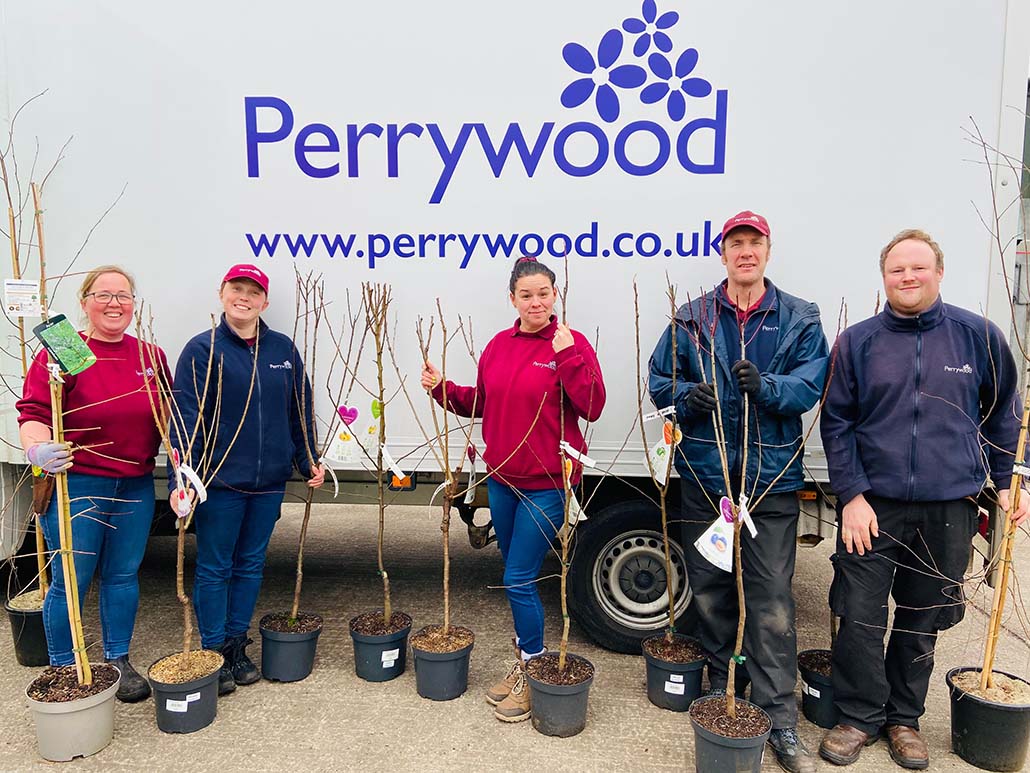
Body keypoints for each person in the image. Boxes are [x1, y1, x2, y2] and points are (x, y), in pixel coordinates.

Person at [819, 229, 1029, 769]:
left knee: (921, 619)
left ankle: (904, 720)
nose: (907, 277)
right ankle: (858, 717)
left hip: (949, 508)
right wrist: (852, 495)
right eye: (896, 270)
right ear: (884, 277)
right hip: (873, 507)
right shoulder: (858, 342)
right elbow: (837, 423)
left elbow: (1005, 416)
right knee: (859, 616)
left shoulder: (978, 337)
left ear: (939, 272)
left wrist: (1011, 481)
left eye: (918, 268)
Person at [649, 211, 829, 773]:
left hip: (770, 480)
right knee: (710, 589)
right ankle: (724, 682)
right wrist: (685, 397)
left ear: (767, 251)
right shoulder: (692, 317)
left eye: (754, 242)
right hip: (708, 478)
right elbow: (659, 380)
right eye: (736, 243)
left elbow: (810, 383)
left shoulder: (799, 317)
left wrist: (768, 387)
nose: (745, 251)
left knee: (771, 599)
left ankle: (778, 716)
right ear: (723, 253)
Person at [420, 256, 605, 723]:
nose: (535, 302)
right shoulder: (498, 346)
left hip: (548, 484)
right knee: (514, 573)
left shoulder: (571, 343)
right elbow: (482, 402)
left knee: (519, 578)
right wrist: (442, 389)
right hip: (502, 482)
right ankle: (527, 660)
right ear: (513, 299)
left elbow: (592, 406)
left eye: (543, 293)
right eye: (526, 295)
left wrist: (567, 356)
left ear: (555, 295)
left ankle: (534, 669)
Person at [170, 264, 323, 695]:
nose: (244, 297)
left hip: (268, 483)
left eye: (253, 292)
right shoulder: (203, 349)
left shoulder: (282, 349)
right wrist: (184, 476)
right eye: (236, 289)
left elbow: (298, 409)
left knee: (251, 565)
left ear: (265, 302)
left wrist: (308, 459)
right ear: (222, 294)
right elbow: (186, 418)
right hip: (219, 483)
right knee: (215, 567)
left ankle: (237, 645)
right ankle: (214, 649)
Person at [17, 265, 168, 702]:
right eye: (103, 295)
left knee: (122, 575)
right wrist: (36, 449)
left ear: (133, 304)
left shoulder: (150, 356)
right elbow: (34, 412)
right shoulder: (66, 348)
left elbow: (168, 418)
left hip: (135, 485)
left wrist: (182, 467)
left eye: (123, 295)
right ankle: (66, 668)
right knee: (72, 580)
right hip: (79, 484)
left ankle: (117, 659)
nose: (114, 304)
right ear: (85, 302)